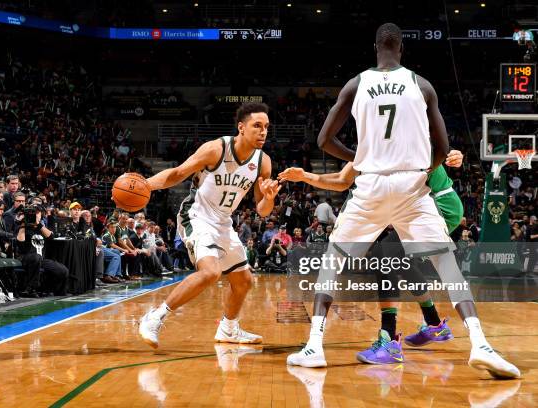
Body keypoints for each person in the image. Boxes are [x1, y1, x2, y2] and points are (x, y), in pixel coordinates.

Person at [284, 23, 519, 378]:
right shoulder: (421, 85)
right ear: (402, 48)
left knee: (333, 262)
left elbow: (323, 141)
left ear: (375, 47)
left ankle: (315, 346)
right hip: (412, 185)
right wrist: (421, 170)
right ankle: (480, 343)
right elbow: (441, 147)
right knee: (447, 267)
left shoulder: (356, 83)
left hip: (372, 185)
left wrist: (359, 158)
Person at [281, 150, 465, 364]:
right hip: (423, 202)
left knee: (385, 256)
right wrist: (305, 176)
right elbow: (343, 179)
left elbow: (436, 149)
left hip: (440, 204)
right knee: (394, 259)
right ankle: (433, 324)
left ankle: (390, 339)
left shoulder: (399, 136)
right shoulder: (375, 138)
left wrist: (452, 155)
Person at [139, 102, 281, 348]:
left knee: (244, 281)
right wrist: (145, 185)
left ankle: (228, 329)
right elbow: (177, 174)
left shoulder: (263, 162)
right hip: (196, 215)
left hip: (223, 222)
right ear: (241, 127)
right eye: (257, 126)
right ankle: (154, 317)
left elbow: (262, 211)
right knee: (211, 272)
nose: (263, 131)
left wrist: (269, 198)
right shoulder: (216, 149)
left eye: (266, 127)